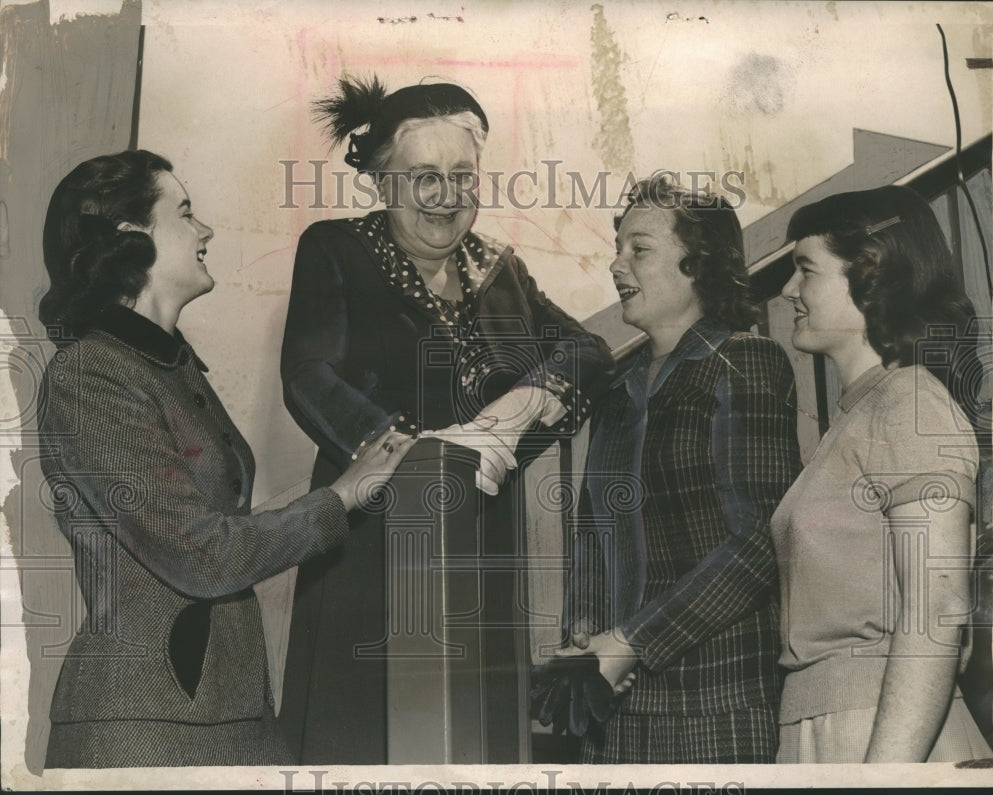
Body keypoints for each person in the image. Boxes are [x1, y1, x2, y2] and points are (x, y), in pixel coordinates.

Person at [36, 150, 414, 768]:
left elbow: (211, 529)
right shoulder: (91, 374)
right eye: (185, 213)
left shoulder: (169, 362)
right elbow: (203, 555)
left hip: (223, 708)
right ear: (132, 236)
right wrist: (339, 497)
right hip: (143, 726)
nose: (205, 230)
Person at [279, 76, 615, 762]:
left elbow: (588, 348)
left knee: (474, 738)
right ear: (380, 181)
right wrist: (417, 454)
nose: (445, 195)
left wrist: (511, 414)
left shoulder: (502, 270)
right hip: (367, 547)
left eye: (462, 174)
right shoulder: (334, 249)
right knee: (367, 740)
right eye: (422, 176)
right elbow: (308, 376)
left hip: (483, 543)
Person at [560, 175, 801, 763]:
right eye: (617, 248)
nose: (617, 265)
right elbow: (596, 536)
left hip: (716, 704)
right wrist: (583, 631)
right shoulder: (616, 387)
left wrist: (632, 641)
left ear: (699, 263)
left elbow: (757, 543)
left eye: (638, 249)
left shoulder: (745, 361)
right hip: (613, 709)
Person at [773, 185, 992, 763]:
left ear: (871, 276)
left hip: (877, 736)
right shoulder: (859, 414)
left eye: (805, 270)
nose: (788, 290)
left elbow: (936, 611)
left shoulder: (910, 401)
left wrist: (884, 777)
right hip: (826, 729)